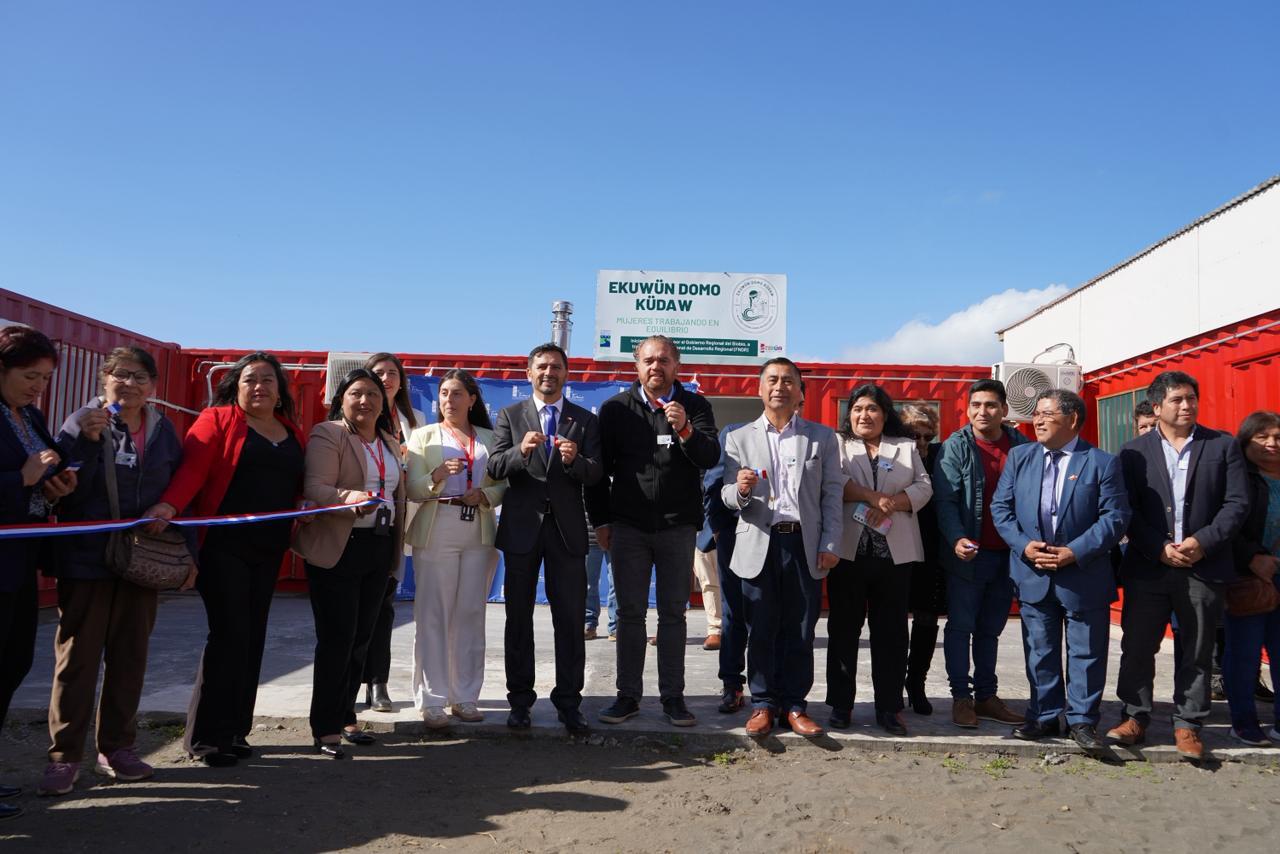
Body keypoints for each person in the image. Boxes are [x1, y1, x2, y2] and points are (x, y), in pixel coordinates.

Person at [40, 348, 194, 796]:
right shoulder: (81, 423)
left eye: (140, 377)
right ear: (104, 378)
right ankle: (64, 756)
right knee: (78, 659)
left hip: (141, 559)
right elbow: (62, 491)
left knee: (130, 657)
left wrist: (177, 530)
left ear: (154, 386)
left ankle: (117, 748)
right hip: (87, 559)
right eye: (121, 375)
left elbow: (175, 487)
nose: (130, 385)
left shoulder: (163, 430)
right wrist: (84, 443)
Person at [148, 351, 306, 767]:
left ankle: (235, 730)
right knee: (229, 635)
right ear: (235, 387)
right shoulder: (216, 420)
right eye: (250, 379)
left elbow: (298, 485)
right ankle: (206, 738)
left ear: (280, 391)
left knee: (253, 638)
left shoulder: (291, 430)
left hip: (269, 549)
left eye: (268, 380)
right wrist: (169, 505)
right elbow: (192, 472)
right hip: (223, 548)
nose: (259, 386)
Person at [1109, 370, 1250, 760]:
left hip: (1203, 566)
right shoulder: (1133, 452)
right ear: (1157, 407)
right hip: (1149, 567)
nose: (1187, 405)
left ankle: (1188, 724)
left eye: (1191, 398)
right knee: (1138, 646)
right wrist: (1157, 547)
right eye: (1177, 399)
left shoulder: (1222, 445)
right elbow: (1125, 508)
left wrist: (1203, 542)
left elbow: (1237, 503)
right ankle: (1134, 716)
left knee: (1197, 649)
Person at [990, 389, 1130, 756]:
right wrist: (1023, 545)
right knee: (1040, 650)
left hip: (1083, 573)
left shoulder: (1101, 463)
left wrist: (1074, 551)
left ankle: (1082, 720)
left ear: (1072, 419)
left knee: (1087, 652)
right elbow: (1001, 508)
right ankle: (1045, 715)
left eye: (1046, 414)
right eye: (1036, 413)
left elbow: (1115, 517)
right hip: (1033, 571)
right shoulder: (1020, 457)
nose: (1037, 420)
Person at [591, 335, 720, 727]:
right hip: (628, 528)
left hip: (677, 528)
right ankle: (627, 696)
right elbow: (598, 473)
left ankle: (673, 699)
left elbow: (710, 456)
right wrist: (601, 521)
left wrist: (686, 430)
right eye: (648, 360)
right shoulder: (615, 409)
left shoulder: (695, 406)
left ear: (676, 366)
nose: (655, 367)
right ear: (637, 365)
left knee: (673, 615)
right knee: (629, 614)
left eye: (663, 360)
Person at [721, 358, 843, 738]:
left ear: (800, 391)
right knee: (760, 628)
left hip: (803, 542)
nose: (780, 387)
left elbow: (832, 494)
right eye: (772, 380)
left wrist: (830, 542)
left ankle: (794, 705)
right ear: (759, 390)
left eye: (788, 381)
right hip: (759, 541)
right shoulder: (738, 437)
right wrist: (740, 490)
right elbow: (725, 495)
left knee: (801, 629)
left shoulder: (822, 438)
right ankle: (762, 703)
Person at [488, 343, 603, 733]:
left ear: (566, 374)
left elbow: (596, 473)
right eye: (541, 367)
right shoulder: (510, 415)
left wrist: (575, 461)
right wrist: (520, 452)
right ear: (529, 373)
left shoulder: (585, 421)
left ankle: (569, 702)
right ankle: (520, 702)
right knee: (518, 619)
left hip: (568, 533)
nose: (548, 373)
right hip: (522, 531)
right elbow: (495, 466)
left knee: (570, 621)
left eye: (556, 367)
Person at [293, 369, 407, 758]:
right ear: (341, 398)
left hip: (379, 546)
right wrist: (351, 498)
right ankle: (325, 727)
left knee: (361, 639)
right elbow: (316, 487)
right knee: (337, 639)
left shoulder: (389, 441)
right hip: (340, 546)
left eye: (373, 394)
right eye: (356, 393)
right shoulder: (329, 434)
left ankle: (346, 716)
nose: (365, 401)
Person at [826, 384, 931, 735]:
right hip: (848, 553)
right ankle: (841, 705)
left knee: (892, 634)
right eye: (857, 409)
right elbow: (834, 482)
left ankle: (889, 707)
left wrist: (893, 503)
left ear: (885, 414)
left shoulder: (904, 447)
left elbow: (924, 487)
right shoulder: (837, 445)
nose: (864, 415)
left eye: (871, 408)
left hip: (894, 556)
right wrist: (873, 497)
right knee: (843, 630)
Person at [0, 326, 73, 821]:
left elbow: (42, 470)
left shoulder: (29, 416)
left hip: (20, 560)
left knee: (14, 662)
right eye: (29, 376)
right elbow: (22, 475)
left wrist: (51, 488)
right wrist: (20, 479)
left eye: (45, 378)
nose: (38, 387)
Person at [404, 369, 504, 728]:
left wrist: (486, 495)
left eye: (457, 393)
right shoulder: (423, 436)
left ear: (472, 400)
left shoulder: (491, 438)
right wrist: (436, 476)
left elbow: (505, 484)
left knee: (470, 615)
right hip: (438, 524)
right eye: (444, 393)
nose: (449, 399)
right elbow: (412, 489)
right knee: (433, 614)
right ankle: (432, 699)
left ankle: (465, 696)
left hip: (478, 528)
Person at [932, 378, 1028, 729]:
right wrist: (957, 538)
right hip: (968, 556)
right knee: (961, 627)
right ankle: (961, 697)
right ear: (968, 409)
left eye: (990, 405)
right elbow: (945, 500)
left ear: (1004, 409)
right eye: (975, 405)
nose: (982, 412)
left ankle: (986, 696)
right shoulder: (956, 446)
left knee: (990, 629)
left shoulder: (1022, 446)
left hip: (1008, 556)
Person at [361, 352, 425, 712]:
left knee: (384, 605)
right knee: (357, 609)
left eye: (392, 373)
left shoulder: (414, 422)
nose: (385, 379)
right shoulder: (352, 416)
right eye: (379, 373)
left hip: (395, 522)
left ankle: (378, 682)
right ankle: (353, 685)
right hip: (358, 521)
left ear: (401, 382)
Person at [1222, 411, 1280, 745]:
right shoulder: (1237, 478)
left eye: (1278, 437)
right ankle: (1243, 721)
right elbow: (1225, 525)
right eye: (1263, 437)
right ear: (1245, 441)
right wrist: (1252, 558)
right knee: (1244, 654)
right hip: (1248, 577)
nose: (1272, 443)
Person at [900, 403, 946, 715]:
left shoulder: (940, 458)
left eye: (927, 436)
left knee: (927, 619)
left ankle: (916, 682)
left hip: (931, 550)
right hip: (898, 546)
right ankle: (892, 681)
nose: (920, 442)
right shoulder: (892, 456)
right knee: (892, 620)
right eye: (913, 435)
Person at [704, 422, 749, 714]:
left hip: (784, 538)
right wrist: (719, 528)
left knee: (776, 616)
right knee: (734, 612)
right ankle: (732, 684)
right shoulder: (735, 433)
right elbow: (714, 482)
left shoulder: (810, 437)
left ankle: (772, 693)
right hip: (736, 534)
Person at [691, 539, 723, 649]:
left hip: (703, 534)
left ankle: (715, 630)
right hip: (674, 532)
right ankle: (669, 626)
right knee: (673, 579)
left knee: (709, 579)